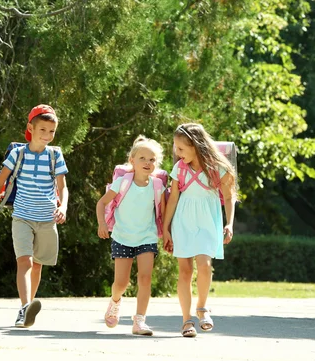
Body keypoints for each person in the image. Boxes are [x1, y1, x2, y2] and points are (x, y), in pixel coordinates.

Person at [0, 104, 69, 328]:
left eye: (51, 131)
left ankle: (28, 307)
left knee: (37, 265)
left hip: (47, 218)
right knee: (24, 261)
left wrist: (64, 207)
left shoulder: (55, 155)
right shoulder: (17, 154)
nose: (47, 136)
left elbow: (63, 187)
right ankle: (24, 308)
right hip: (22, 216)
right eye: (42, 130)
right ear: (31, 128)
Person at [162, 123, 237, 337]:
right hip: (183, 222)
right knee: (185, 271)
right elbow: (174, 198)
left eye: (181, 149)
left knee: (204, 266)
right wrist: (166, 228)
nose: (177, 153)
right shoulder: (179, 169)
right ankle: (187, 321)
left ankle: (202, 308)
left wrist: (229, 223)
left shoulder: (218, 168)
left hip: (207, 222)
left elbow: (230, 197)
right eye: (176, 148)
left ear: (195, 145)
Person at [96, 136, 166, 336]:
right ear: (132, 161)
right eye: (142, 158)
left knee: (145, 279)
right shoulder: (122, 183)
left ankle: (140, 321)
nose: (147, 163)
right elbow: (101, 203)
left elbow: (163, 213)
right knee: (121, 283)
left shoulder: (157, 187)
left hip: (147, 237)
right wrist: (102, 223)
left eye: (152, 160)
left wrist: (167, 233)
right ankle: (115, 301)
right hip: (122, 237)